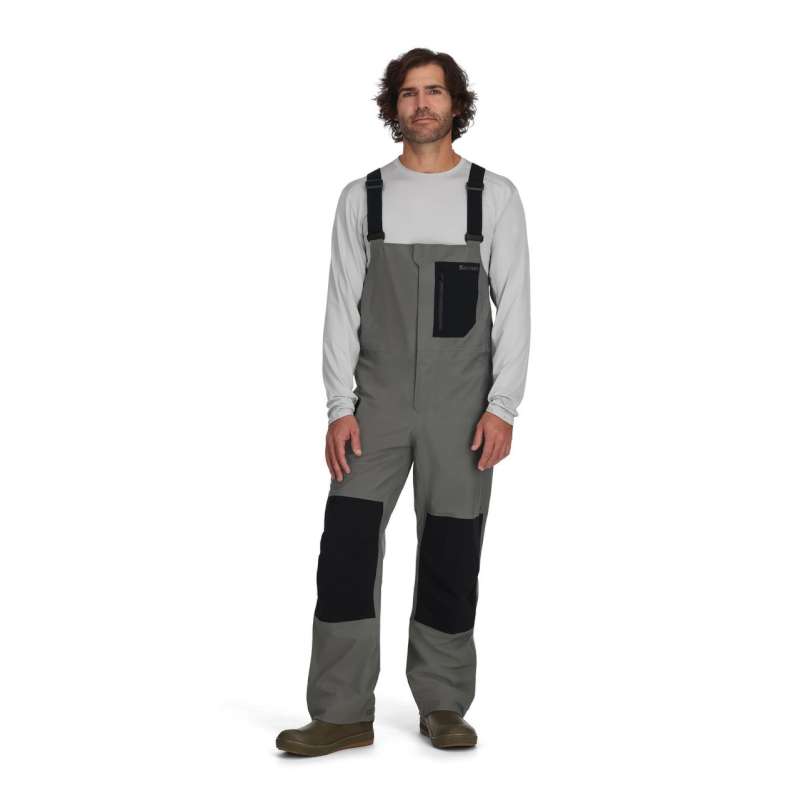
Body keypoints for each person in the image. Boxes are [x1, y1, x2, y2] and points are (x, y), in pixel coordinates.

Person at [276, 47, 531, 756]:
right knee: (347, 546)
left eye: (435, 91)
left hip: (462, 409)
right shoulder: (363, 197)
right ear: (393, 107)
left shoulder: (493, 195)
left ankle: (443, 703)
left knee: (451, 549)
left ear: (456, 104)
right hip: (376, 405)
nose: (423, 104)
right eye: (410, 93)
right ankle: (341, 711)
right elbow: (340, 307)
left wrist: (503, 406)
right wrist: (340, 406)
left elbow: (515, 307)